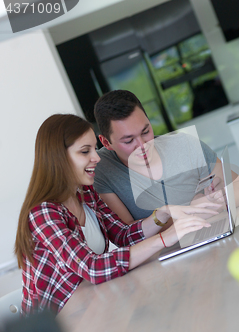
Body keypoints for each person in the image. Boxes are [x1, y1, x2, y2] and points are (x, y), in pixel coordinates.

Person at [14, 114, 220, 315]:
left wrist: (164, 213)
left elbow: (123, 235)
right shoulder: (43, 213)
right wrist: (166, 238)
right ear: (58, 157)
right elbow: (93, 268)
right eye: (85, 152)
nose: (96, 157)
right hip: (56, 327)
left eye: (94, 149)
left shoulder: (85, 193)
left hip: (91, 305)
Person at [92, 90, 239, 225]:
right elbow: (129, 233)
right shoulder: (100, 167)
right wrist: (197, 211)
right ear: (106, 142)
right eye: (128, 140)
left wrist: (220, 199)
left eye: (146, 131)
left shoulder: (184, 145)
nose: (142, 145)